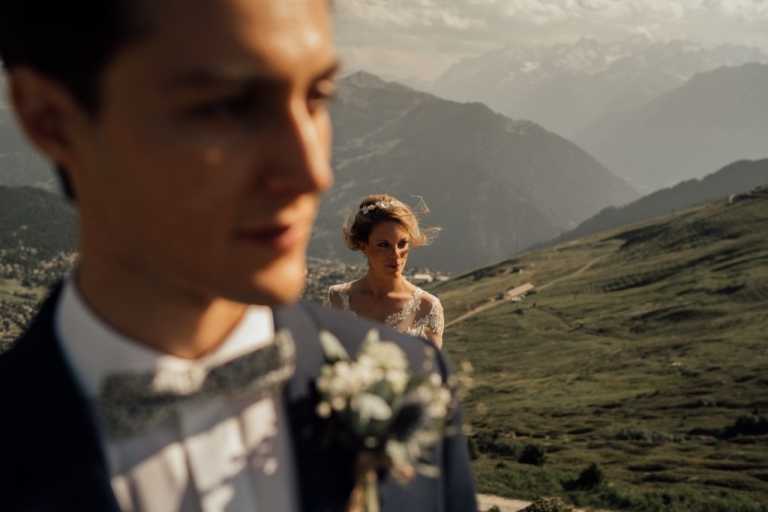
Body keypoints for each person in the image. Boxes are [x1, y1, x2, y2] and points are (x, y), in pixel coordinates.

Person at [0, 1, 478, 512]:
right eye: (228, 105)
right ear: (52, 120)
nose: (312, 172)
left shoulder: (408, 387)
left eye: (317, 96)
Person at [325, 195, 445, 348]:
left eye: (402, 243)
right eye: (384, 245)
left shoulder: (428, 307)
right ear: (363, 246)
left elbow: (432, 369)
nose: (396, 254)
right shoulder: (336, 299)